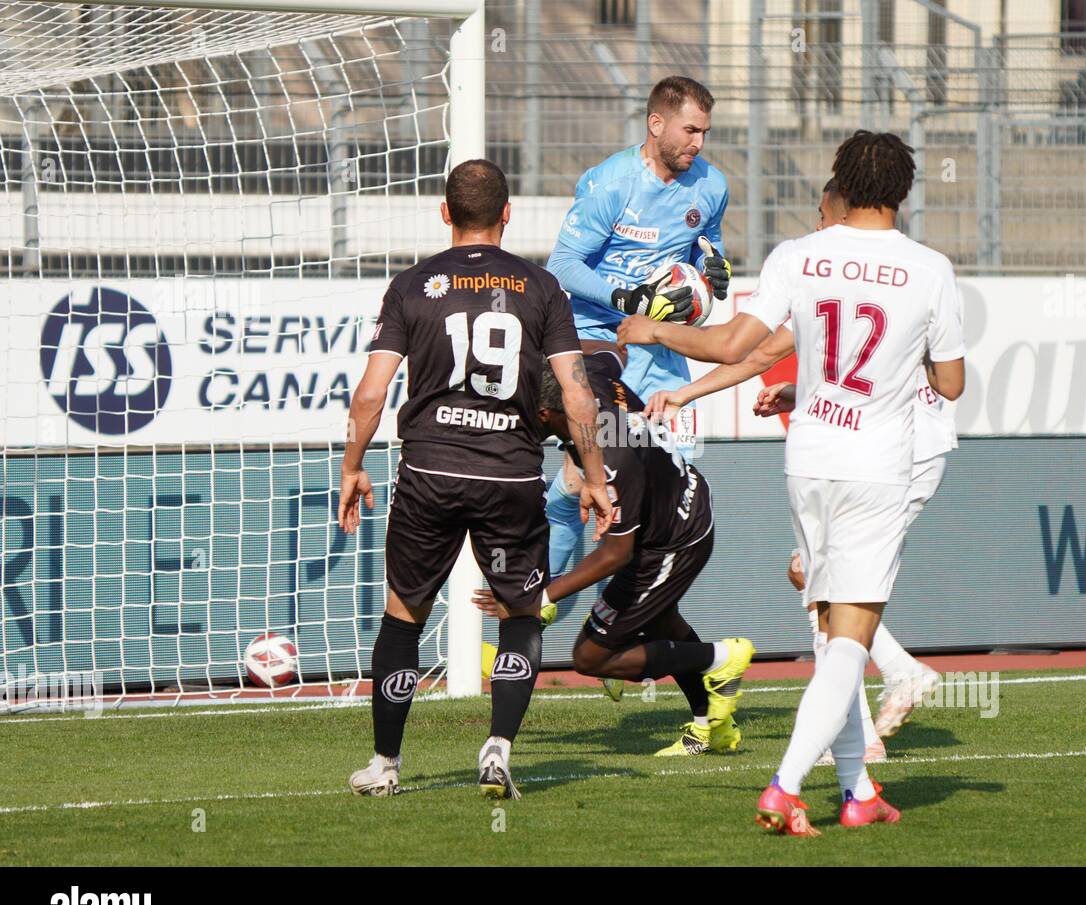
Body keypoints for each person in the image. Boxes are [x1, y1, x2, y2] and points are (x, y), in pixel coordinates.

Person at [618, 131, 966, 835]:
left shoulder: (799, 256)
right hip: (875, 464)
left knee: (824, 624)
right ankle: (785, 785)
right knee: (848, 639)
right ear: (903, 191)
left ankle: (856, 790)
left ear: (840, 180)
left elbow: (730, 345)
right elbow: (951, 384)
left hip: (808, 458)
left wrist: (653, 334)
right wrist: (912, 365)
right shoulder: (929, 268)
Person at [339, 159, 612, 801]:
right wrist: (595, 476)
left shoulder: (412, 285)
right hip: (510, 475)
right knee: (521, 611)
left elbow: (370, 395)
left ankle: (385, 765)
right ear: (507, 215)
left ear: (444, 213)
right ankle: (498, 749)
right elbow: (577, 394)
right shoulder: (542, 288)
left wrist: (352, 466)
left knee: (405, 615)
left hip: (430, 469)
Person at [475, 350, 754, 756]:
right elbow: (612, 353)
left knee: (591, 656)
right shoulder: (591, 381)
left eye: (525, 414)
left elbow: (615, 555)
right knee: (662, 621)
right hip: (673, 505)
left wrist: (542, 598)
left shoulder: (610, 458)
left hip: (674, 537)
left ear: (548, 413)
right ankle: (713, 724)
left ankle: (723, 657)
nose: (518, 423)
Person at [543, 75, 732, 587]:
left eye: (704, 132)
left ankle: (617, 640)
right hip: (601, 347)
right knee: (599, 484)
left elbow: (706, 251)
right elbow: (562, 264)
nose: (698, 142)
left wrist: (714, 269)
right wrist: (623, 298)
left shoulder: (712, 186)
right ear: (656, 123)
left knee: (667, 488)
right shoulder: (609, 183)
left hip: (660, 347)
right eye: (690, 130)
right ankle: (523, 622)